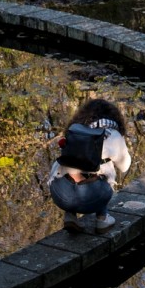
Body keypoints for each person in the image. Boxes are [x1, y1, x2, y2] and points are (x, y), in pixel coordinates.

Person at [47, 98, 131, 233]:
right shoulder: (113, 134)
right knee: (105, 177)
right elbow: (125, 166)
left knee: (70, 169)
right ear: (114, 117)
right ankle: (102, 219)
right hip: (92, 198)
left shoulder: (75, 131)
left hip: (60, 194)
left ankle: (70, 216)